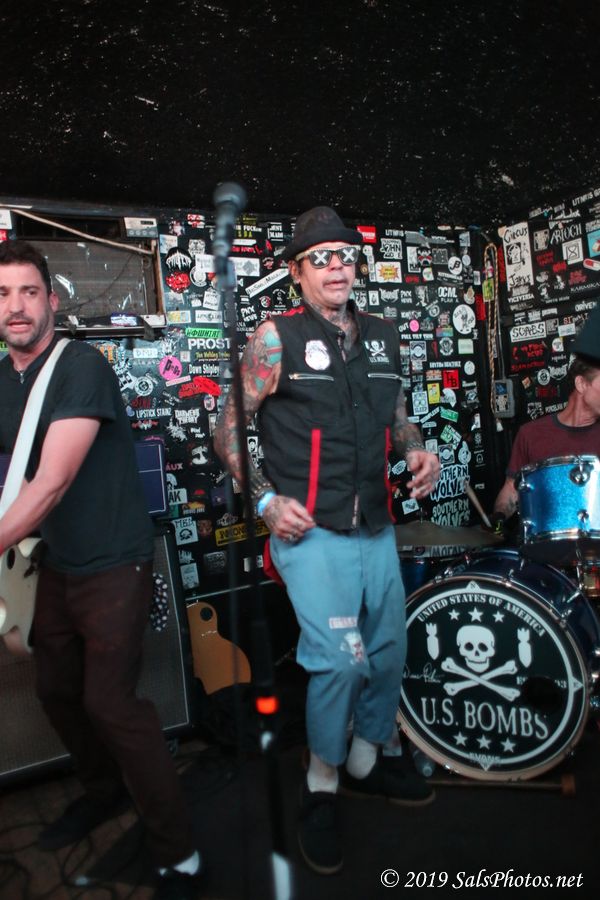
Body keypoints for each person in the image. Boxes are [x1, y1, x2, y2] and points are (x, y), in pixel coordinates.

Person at [213, 206, 440, 876]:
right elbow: (229, 427)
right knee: (341, 662)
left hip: (375, 526)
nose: (337, 266)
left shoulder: (383, 336)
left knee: (389, 653)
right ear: (297, 271)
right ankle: (321, 780)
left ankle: (368, 757)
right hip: (309, 531)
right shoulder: (275, 338)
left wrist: (416, 449)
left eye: (346, 255)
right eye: (321, 257)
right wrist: (264, 500)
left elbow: (396, 413)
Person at [0, 241, 201, 900]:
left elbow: (52, 481)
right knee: (56, 688)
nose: (16, 306)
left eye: (28, 292)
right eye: (2, 294)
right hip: (57, 560)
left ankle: (179, 852)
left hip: (115, 559)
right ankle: (103, 790)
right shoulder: (3, 379)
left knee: (110, 702)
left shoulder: (79, 366)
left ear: (52, 300)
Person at [492, 354, 600, 525]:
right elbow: (512, 490)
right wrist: (499, 516)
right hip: (547, 538)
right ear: (581, 384)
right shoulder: (531, 434)